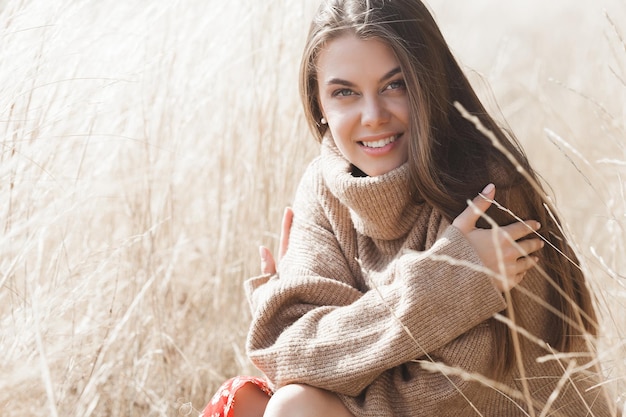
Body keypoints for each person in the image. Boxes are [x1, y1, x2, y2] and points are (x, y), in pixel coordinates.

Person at [201, 0, 618, 416]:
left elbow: (450, 396)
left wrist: (315, 351)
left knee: (292, 407)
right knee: (252, 404)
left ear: (428, 84)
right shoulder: (324, 186)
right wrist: (446, 282)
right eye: (344, 92)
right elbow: (284, 352)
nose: (372, 116)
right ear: (319, 103)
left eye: (394, 85)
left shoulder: (486, 191)